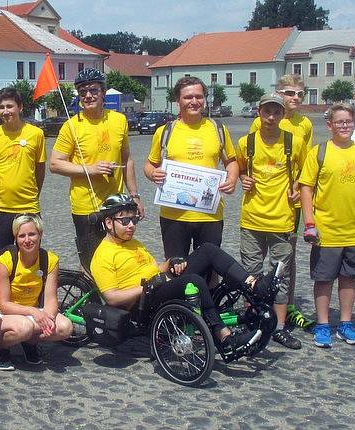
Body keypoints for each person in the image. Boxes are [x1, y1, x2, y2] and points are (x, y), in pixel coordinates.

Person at [89, 194, 261, 352]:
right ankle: (224, 337)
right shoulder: (103, 255)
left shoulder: (133, 243)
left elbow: (155, 267)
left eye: (133, 219)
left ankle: (253, 284)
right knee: (193, 281)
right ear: (109, 223)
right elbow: (111, 298)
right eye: (125, 221)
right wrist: (146, 287)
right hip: (141, 304)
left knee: (208, 250)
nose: (132, 225)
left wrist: (171, 263)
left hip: (159, 285)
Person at [298, 103, 355, 349]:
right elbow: (306, 189)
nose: (344, 126)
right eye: (339, 122)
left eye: (348, 121)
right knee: (324, 279)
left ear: (354, 123)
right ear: (330, 125)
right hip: (326, 232)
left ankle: (346, 323)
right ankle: (323, 324)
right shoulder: (320, 152)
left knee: (349, 279)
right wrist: (309, 223)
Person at [50, 68, 144, 270]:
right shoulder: (71, 126)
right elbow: (55, 163)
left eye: (93, 90)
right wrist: (90, 169)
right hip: (86, 206)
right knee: (91, 263)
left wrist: (135, 196)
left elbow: (126, 160)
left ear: (103, 92)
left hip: (117, 204)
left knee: (120, 260)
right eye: (82, 92)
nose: (88, 96)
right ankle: (93, 301)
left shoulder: (119, 120)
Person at [144, 76, 238, 261]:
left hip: (209, 213)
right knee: (175, 267)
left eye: (199, 96)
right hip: (174, 214)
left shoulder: (218, 128)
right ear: (177, 100)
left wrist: (232, 179)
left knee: (209, 268)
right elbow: (149, 164)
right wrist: (153, 174)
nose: (194, 101)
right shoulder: (164, 131)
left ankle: (208, 292)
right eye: (188, 97)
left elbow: (231, 161)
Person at [237, 94, 304, 350]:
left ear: (283, 114)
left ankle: (279, 328)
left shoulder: (293, 142)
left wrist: (297, 187)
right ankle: (252, 321)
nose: (272, 117)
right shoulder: (246, 143)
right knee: (250, 274)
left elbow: (307, 172)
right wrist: (243, 177)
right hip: (252, 219)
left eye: (277, 112)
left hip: (282, 220)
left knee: (281, 277)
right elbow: (238, 168)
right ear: (259, 112)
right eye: (267, 112)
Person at [249, 74, 315, 330]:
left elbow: (308, 163)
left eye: (299, 93)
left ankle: (287, 307)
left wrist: (300, 188)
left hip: (291, 202)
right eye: (289, 93)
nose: (295, 98)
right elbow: (251, 157)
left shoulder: (305, 124)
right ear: (278, 94)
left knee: (288, 257)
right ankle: (259, 305)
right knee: (258, 254)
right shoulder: (261, 121)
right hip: (263, 202)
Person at [0, 214, 73, 371]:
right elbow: (4, 305)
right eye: (22, 236)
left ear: (40, 235)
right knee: (24, 327)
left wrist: (49, 318)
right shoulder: (6, 260)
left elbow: (51, 299)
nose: (27, 240)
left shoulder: (50, 260)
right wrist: (35, 312)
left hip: (31, 310)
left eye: (32, 234)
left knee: (65, 327)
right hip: (2, 311)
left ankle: (30, 342)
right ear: (16, 238)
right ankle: (1, 347)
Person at [0, 87, 46, 256]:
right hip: (0, 209)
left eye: (10, 106)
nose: (5, 111)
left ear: (20, 107)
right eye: (1, 107)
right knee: (0, 260)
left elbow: (40, 170)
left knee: (30, 258)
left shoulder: (36, 134)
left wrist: (33, 194)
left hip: (28, 207)